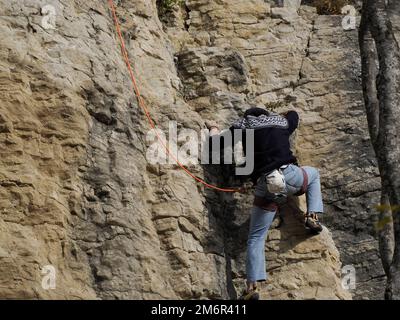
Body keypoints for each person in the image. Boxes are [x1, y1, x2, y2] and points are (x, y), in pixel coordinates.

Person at [206, 107, 324, 300]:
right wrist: (286, 112)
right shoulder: (280, 122)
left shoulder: (243, 126)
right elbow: (295, 116)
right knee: (313, 174)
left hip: (266, 185)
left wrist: (213, 128)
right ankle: (313, 217)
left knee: (256, 237)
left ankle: (252, 287)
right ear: (266, 116)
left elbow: (215, 144)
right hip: (290, 176)